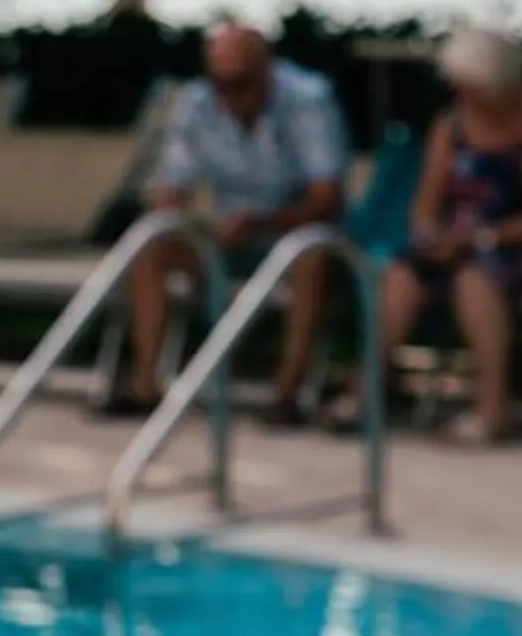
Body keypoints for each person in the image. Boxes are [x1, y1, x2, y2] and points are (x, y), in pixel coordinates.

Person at [358, 25, 522, 444]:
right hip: (460, 244)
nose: (466, 97)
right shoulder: (452, 122)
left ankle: (493, 411)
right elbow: (425, 203)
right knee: (403, 273)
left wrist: (478, 238)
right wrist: (430, 235)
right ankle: (363, 391)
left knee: (476, 278)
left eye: (474, 88)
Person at [117, 21, 349, 421]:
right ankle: (144, 386)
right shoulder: (197, 102)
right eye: (219, 84)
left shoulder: (307, 99)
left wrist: (260, 224)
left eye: (239, 84)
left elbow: (327, 200)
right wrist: (187, 224)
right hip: (228, 234)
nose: (228, 96)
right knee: (154, 246)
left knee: (309, 259)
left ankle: (287, 396)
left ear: (265, 70)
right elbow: (172, 190)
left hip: (291, 231)